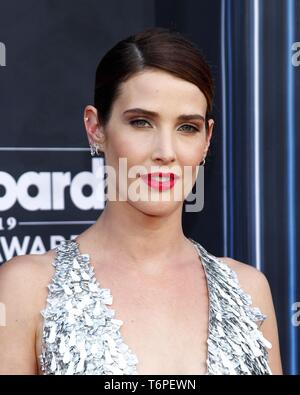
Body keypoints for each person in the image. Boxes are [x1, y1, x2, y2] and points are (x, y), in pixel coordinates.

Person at [0, 27, 282, 375]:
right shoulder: (26, 288)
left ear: (207, 140)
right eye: (141, 122)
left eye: (187, 128)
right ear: (95, 128)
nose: (165, 152)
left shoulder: (249, 290)